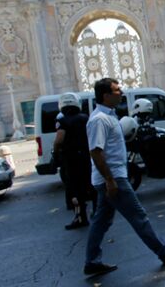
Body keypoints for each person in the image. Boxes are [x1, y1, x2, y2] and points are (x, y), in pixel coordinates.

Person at [84, 78, 165, 276]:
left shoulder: (109, 116)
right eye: (116, 90)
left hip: (112, 177)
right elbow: (96, 152)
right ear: (105, 95)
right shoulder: (99, 120)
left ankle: (92, 261)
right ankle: (163, 251)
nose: (120, 92)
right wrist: (110, 180)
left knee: (101, 221)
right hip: (113, 178)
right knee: (138, 216)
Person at [53, 92, 97, 230]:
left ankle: (80, 217)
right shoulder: (85, 118)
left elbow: (59, 139)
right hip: (86, 156)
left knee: (74, 189)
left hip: (71, 159)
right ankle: (96, 212)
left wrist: (55, 152)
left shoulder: (62, 120)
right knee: (91, 185)